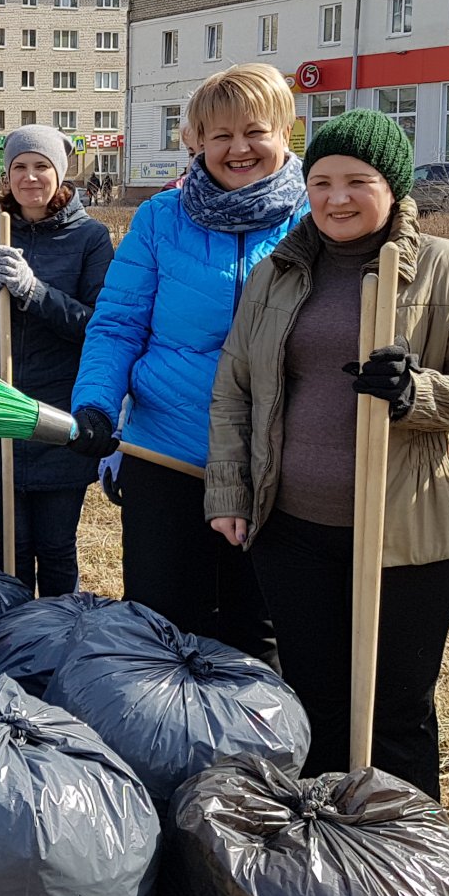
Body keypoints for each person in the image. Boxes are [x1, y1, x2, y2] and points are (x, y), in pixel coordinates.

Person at [205, 110, 449, 798]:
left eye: (357, 181)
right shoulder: (280, 271)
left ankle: (404, 867)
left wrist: (419, 395)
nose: (336, 198)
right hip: (290, 531)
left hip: (404, 538)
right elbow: (235, 389)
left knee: (397, 712)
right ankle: (329, 865)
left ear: (393, 186)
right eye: (320, 181)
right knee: (314, 702)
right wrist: (228, 493)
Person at [69, 63, 307, 661]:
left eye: (255, 131)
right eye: (220, 135)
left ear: (286, 131)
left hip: (275, 460)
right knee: (160, 629)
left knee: (262, 633)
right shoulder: (159, 219)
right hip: (168, 453)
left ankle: (255, 751)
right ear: (196, 141)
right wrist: (96, 404)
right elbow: (118, 324)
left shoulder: (314, 222)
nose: (239, 148)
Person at [0, 126, 113, 595]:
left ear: (59, 174)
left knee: (58, 543)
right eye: (19, 166)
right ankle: (14, 636)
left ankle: (58, 635)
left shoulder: (90, 237)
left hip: (61, 409)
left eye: (41, 166)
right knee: (13, 543)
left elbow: (95, 325)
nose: (30, 176)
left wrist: (34, 292)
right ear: (6, 176)